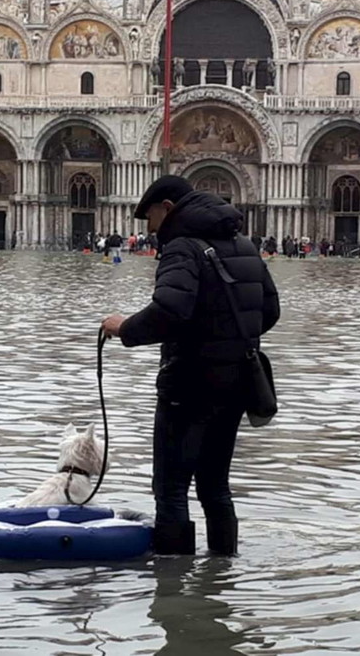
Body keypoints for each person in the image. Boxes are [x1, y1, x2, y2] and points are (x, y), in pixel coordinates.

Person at [100, 176, 280, 556]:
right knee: (215, 486)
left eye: (149, 217)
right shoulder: (244, 245)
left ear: (167, 208)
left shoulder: (181, 247)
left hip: (189, 384)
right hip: (236, 385)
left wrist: (124, 328)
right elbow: (269, 311)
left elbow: (169, 312)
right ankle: (222, 572)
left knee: (171, 487)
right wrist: (226, 338)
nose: (149, 229)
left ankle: (172, 585)